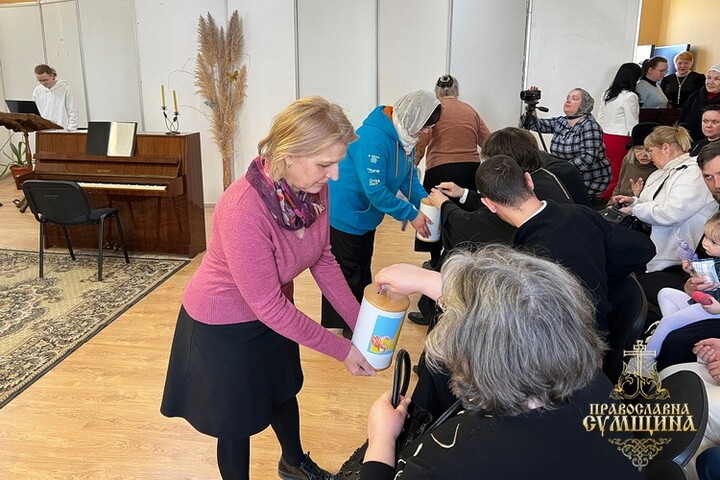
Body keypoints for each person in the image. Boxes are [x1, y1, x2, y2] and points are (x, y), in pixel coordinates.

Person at [160, 97, 376, 480]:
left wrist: (360, 323)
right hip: (224, 325)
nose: (335, 175)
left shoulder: (313, 189)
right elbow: (268, 306)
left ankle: (293, 464)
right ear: (289, 155)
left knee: (283, 390)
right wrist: (343, 349)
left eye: (337, 162)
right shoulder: (243, 209)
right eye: (325, 164)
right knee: (235, 423)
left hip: (275, 313)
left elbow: (322, 258)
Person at [360, 245, 641, 479]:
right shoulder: (595, 382)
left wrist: (381, 441)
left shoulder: (443, 462)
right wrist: (425, 281)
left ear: (477, 364)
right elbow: (524, 308)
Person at [476, 155, 654, 332]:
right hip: (603, 326)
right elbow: (643, 248)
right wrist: (598, 272)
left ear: (489, 204)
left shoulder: (524, 261)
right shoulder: (581, 213)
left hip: (580, 343)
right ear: (529, 180)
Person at [321, 90, 441, 336]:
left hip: (366, 215)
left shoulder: (403, 137)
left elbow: (408, 177)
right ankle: (351, 325)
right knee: (349, 271)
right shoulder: (372, 140)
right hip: (347, 212)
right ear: (414, 119)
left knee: (361, 265)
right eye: (426, 126)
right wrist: (411, 214)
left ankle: (357, 318)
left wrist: (423, 201)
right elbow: (376, 191)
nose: (427, 132)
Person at [613, 125, 716, 275]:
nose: (648, 156)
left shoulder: (693, 173)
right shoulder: (660, 173)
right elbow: (654, 204)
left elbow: (672, 213)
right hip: (653, 249)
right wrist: (635, 202)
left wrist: (635, 209)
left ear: (666, 148)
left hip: (675, 260)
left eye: (650, 151)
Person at [413, 74, 491, 268]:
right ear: (457, 90)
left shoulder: (434, 110)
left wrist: (414, 164)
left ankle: (435, 261)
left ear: (437, 92)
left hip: (439, 170)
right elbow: (488, 142)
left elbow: (422, 142)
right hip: (470, 171)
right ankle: (462, 261)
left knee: (433, 215)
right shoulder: (470, 111)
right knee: (465, 216)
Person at [638, 212, 720, 369]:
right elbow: (705, 276)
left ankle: (644, 362)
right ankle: (671, 326)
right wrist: (692, 270)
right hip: (704, 301)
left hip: (714, 309)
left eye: (714, 242)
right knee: (665, 293)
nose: (705, 243)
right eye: (705, 237)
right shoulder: (715, 261)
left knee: (667, 322)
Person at [526, 86, 611, 199]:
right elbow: (534, 125)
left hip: (588, 180)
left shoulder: (589, 126)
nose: (568, 100)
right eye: (567, 97)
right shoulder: (562, 121)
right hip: (565, 175)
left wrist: (559, 169)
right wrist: (531, 106)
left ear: (584, 104)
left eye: (574, 98)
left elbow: (587, 158)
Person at [597, 62, 642, 199]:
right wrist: (636, 142)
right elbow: (632, 123)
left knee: (606, 170)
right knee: (618, 172)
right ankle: (610, 198)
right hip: (621, 138)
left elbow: (600, 117)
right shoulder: (630, 96)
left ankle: (601, 195)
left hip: (605, 136)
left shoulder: (607, 94)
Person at [608, 122, 659, 199]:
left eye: (648, 149)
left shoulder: (659, 167)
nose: (643, 154)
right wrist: (612, 202)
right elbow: (619, 186)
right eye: (638, 148)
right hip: (620, 202)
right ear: (633, 149)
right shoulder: (628, 159)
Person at [680, 64, 720, 143]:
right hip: (690, 142)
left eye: (717, 79)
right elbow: (682, 120)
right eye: (708, 78)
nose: (710, 82)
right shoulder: (694, 97)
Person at [32, 64, 78, 130]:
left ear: (52, 76)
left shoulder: (65, 89)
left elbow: (72, 111)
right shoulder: (37, 91)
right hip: (44, 130)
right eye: (40, 80)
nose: (43, 83)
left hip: (62, 129)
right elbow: (37, 113)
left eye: (45, 80)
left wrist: (71, 130)